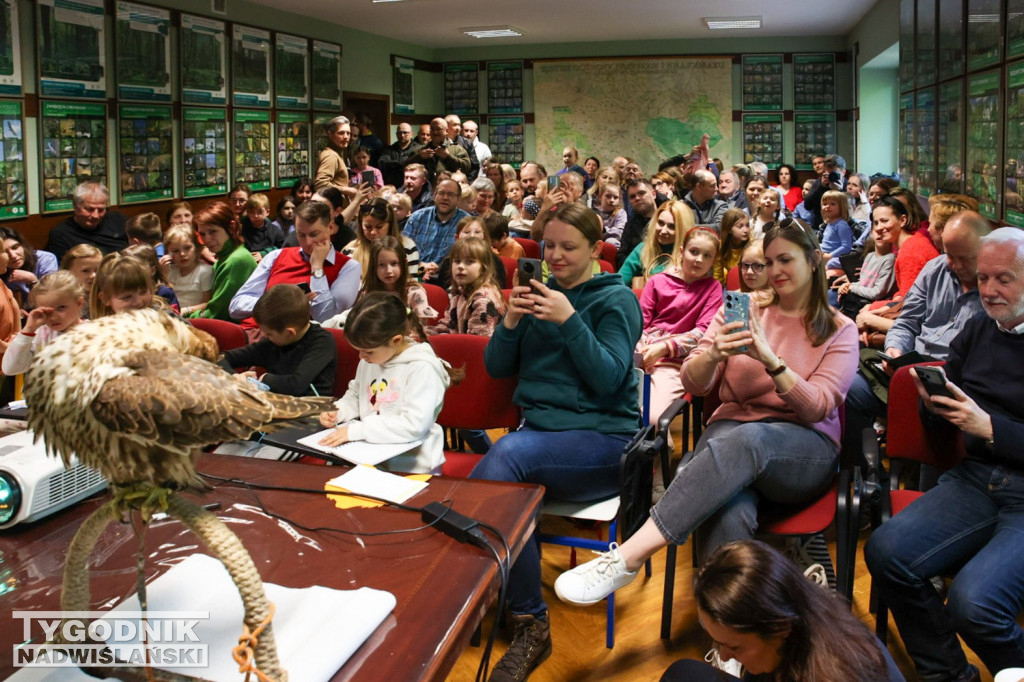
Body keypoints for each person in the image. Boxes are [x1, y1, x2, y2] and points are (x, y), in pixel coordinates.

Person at [554, 220, 858, 602]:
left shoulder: (839, 328)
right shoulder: (743, 309)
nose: (775, 271)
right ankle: (732, 642)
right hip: (731, 436)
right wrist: (713, 354)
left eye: (786, 259)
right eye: (769, 261)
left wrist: (769, 359)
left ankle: (627, 557)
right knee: (726, 510)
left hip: (803, 451)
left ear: (813, 260)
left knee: (747, 439)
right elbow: (695, 385)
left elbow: (817, 407)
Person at [470, 202, 643, 681]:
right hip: (539, 444)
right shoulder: (534, 294)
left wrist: (569, 320)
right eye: (549, 245)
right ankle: (524, 618)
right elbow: (497, 369)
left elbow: (609, 379)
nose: (557, 255)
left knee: (504, 461)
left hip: (604, 442)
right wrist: (508, 322)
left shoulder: (616, 300)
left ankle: (518, 616)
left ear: (595, 249)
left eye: (570, 246)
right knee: (509, 477)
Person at [865, 227, 1024, 682]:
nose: (989, 291)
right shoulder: (978, 331)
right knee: (887, 551)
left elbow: (982, 425)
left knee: (977, 605)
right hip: (977, 478)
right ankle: (949, 676)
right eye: (984, 277)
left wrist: (990, 428)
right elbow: (948, 417)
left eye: (1004, 280)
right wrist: (931, 405)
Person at [660, 540, 904, 682]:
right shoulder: (805, 616)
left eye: (734, 647)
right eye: (717, 642)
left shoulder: (834, 672)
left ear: (779, 627)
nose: (723, 657)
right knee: (682, 674)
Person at [317, 292, 454, 474]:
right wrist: (340, 411)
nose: (361, 357)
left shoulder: (422, 368)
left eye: (368, 351)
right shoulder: (372, 358)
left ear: (396, 340)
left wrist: (358, 430)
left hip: (413, 467)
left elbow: (414, 425)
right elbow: (358, 395)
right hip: (371, 457)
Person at [230, 200, 361, 332]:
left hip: (295, 340)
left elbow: (325, 317)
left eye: (314, 234)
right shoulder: (276, 256)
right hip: (252, 331)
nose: (308, 242)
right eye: (301, 235)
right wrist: (280, 304)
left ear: (330, 228)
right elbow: (236, 306)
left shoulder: (349, 267)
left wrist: (316, 267)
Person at [638, 227, 723, 423]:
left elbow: (703, 332)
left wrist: (664, 348)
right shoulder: (658, 281)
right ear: (682, 251)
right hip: (644, 355)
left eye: (707, 255)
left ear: (714, 261)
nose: (699, 259)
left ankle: (655, 440)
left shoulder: (712, 288)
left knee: (651, 418)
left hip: (675, 363)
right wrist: (643, 350)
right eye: (694, 252)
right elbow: (640, 323)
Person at [218, 284, 336, 397]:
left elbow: (296, 385)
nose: (264, 336)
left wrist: (264, 379)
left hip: (312, 409)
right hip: (275, 406)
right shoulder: (272, 342)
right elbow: (222, 358)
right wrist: (235, 377)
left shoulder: (322, 342)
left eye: (269, 334)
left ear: (290, 332)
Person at [2, 271, 85, 376]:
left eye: (61, 308)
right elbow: (10, 368)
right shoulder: (42, 334)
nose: (54, 317)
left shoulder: (94, 333)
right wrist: (28, 330)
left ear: (79, 303)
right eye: (47, 311)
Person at [186, 202, 257, 322]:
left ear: (231, 227)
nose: (206, 239)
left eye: (213, 231)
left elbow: (215, 315)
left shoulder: (236, 260)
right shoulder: (226, 255)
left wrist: (181, 315)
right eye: (202, 234)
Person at [426, 237, 506, 337]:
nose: (460, 266)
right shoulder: (461, 291)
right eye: (457, 261)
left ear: (484, 267)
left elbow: (476, 344)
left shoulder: (483, 301)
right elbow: (448, 325)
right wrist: (423, 335)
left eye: (469, 262)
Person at [619, 199, 694, 289]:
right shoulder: (643, 249)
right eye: (660, 223)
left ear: (682, 230)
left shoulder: (690, 256)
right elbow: (619, 282)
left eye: (672, 226)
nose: (663, 231)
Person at [403, 178, 469, 279]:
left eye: (451, 194)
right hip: (415, 274)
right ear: (434, 195)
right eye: (441, 193)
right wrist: (420, 265)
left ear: (458, 199)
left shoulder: (466, 223)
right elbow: (402, 250)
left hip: (449, 278)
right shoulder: (417, 217)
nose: (445, 197)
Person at [342, 197, 422, 280]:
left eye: (379, 227)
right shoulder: (350, 250)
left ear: (390, 225)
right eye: (368, 227)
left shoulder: (407, 246)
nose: (373, 232)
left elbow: (411, 282)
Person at [45, 181, 127, 262]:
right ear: (75, 205)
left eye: (101, 210)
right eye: (89, 209)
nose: (96, 215)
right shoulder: (61, 234)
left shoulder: (118, 220)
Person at [832, 219, 896, 318]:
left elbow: (877, 293)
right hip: (858, 299)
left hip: (870, 304)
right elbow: (863, 283)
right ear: (871, 233)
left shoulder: (889, 259)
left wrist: (852, 288)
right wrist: (847, 286)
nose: (880, 235)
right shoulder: (870, 256)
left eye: (885, 232)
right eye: (876, 231)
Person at [88, 252, 160, 319]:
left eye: (143, 292)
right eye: (127, 297)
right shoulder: (101, 330)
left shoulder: (162, 320)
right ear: (105, 298)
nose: (138, 302)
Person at [162, 225, 213, 317]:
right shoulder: (169, 270)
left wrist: (187, 310)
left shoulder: (204, 271)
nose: (182, 254)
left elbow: (208, 303)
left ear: (196, 248)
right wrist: (163, 274)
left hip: (194, 316)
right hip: (173, 315)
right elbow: (164, 298)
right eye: (175, 251)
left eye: (187, 248)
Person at [1, 227, 58, 302]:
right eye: (6, 252)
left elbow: (52, 298)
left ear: (23, 245)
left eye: (15, 247)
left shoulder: (45, 259)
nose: (13, 255)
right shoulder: (1, 268)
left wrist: (32, 279)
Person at [617, 178, 662, 268]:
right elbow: (621, 257)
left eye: (642, 193)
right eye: (632, 197)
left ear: (653, 194)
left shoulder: (670, 219)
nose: (637, 198)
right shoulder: (629, 226)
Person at [122, 244, 179, 312]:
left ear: (152, 270)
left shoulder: (164, 292)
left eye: (138, 270)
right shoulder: (122, 292)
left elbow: (175, 317)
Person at [315, 116, 357, 199]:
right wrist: (345, 190)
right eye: (341, 133)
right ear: (330, 134)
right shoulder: (331, 156)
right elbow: (321, 184)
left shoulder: (335, 153)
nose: (346, 137)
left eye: (348, 133)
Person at [241, 193, 285, 263]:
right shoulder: (242, 228)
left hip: (268, 261)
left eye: (260, 212)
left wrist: (263, 253)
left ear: (267, 212)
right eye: (252, 212)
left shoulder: (274, 230)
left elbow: (282, 247)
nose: (256, 216)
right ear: (248, 213)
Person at [818, 189, 855, 269]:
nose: (827, 206)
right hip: (824, 254)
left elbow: (846, 246)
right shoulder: (829, 224)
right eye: (825, 204)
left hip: (834, 257)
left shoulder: (841, 225)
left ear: (841, 206)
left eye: (832, 204)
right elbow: (827, 243)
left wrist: (830, 256)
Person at [683, 169, 727, 234]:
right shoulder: (681, 206)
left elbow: (719, 228)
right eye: (712, 186)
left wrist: (687, 227)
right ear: (699, 187)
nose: (716, 189)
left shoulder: (720, 206)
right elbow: (677, 227)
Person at [713, 208, 751, 285]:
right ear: (729, 229)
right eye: (740, 226)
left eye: (747, 225)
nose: (746, 230)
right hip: (732, 283)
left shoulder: (752, 245)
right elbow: (717, 275)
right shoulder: (720, 246)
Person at [592, 181, 627, 247]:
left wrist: (604, 230)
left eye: (615, 197)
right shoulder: (594, 212)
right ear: (600, 196)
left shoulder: (621, 213)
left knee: (610, 242)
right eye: (608, 196)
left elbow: (620, 232)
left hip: (612, 245)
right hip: (595, 242)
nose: (612, 200)